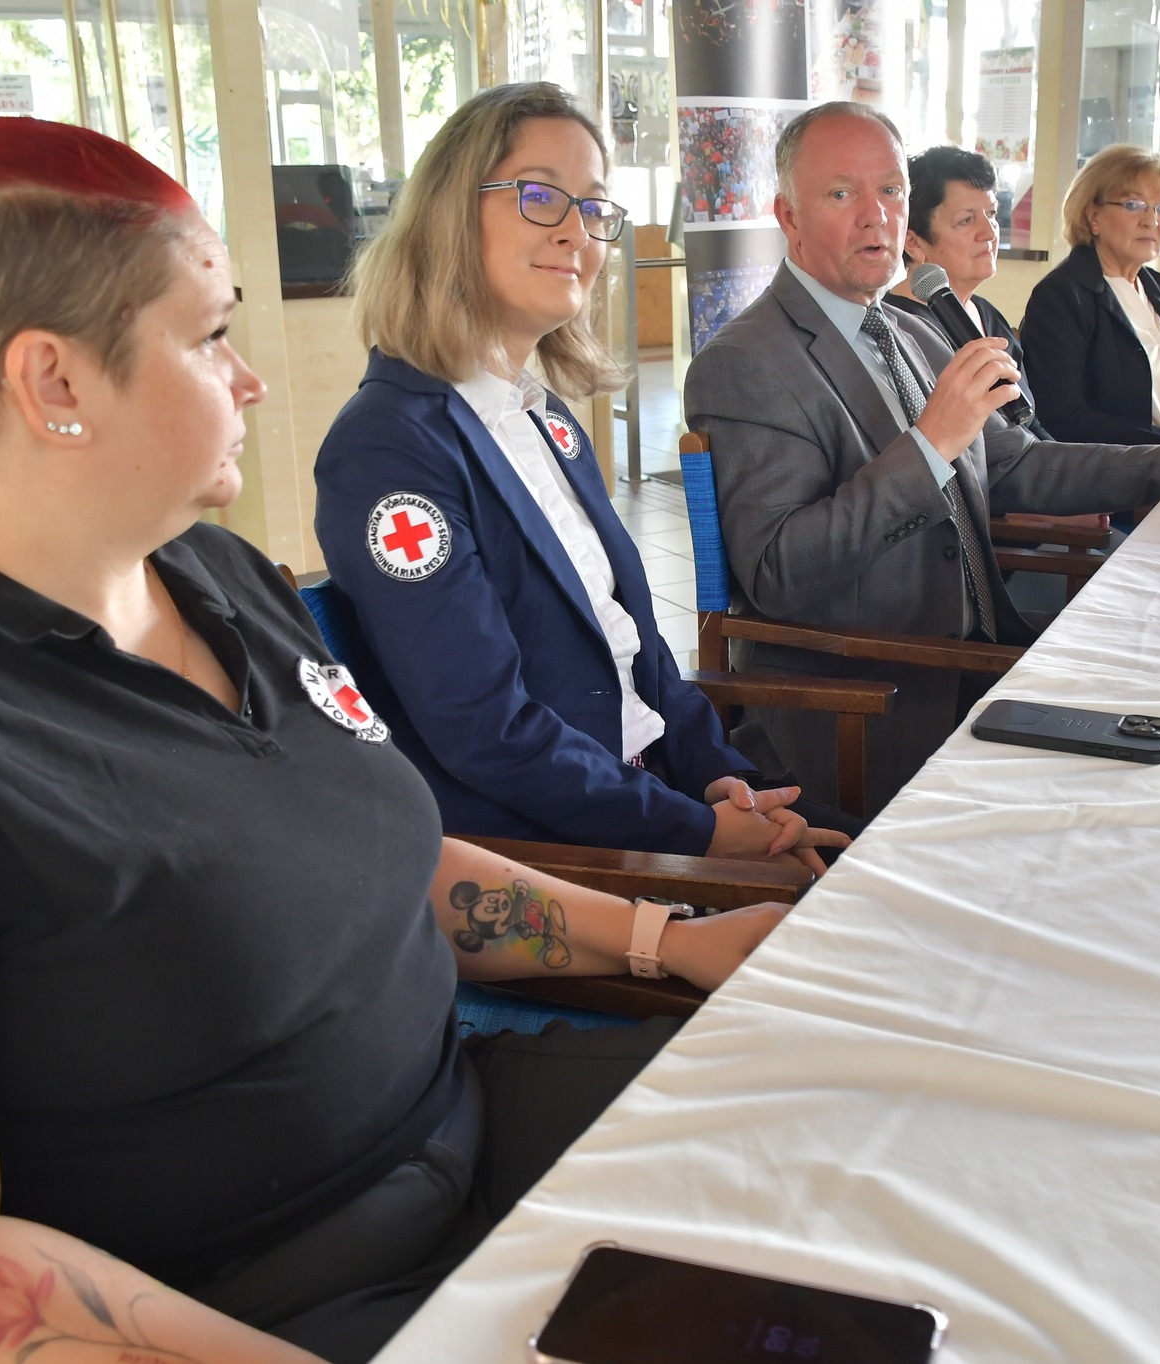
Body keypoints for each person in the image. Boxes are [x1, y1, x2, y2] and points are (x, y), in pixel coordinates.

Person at [0, 116, 789, 1364]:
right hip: (263, 1300)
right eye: (211, 335)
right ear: (53, 382)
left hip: (473, 1133)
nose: (252, 379)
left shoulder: (210, 574)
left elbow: (383, 859)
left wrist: (668, 939)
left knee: (835, 1140)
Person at [681, 103, 1160, 810]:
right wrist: (930, 445)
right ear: (788, 218)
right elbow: (780, 571)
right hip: (874, 705)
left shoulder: (913, 332)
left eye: (891, 190)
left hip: (986, 662)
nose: (876, 217)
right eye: (842, 193)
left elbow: (1018, 464)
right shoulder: (747, 362)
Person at [313, 83, 854, 866]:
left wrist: (722, 782)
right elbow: (487, 731)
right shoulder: (388, 447)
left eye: (594, 206)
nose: (576, 231)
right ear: (448, 216)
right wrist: (698, 834)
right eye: (539, 196)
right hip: (562, 856)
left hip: (656, 793)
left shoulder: (548, 418)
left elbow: (640, 655)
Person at [1018, 144, 1160, 448]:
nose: (1152, 221)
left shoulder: (1152, 286)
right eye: (1134, 205)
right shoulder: (1060, 296)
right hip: (1131, 471)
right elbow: (1062, 419)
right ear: (1093, 215)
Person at [883, 145, 1040, 434]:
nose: (990, 233)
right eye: (966, 220)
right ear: (913, 242)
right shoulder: (898, 329)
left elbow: (1032, 428)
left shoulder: (986, 312)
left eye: (992, 214)